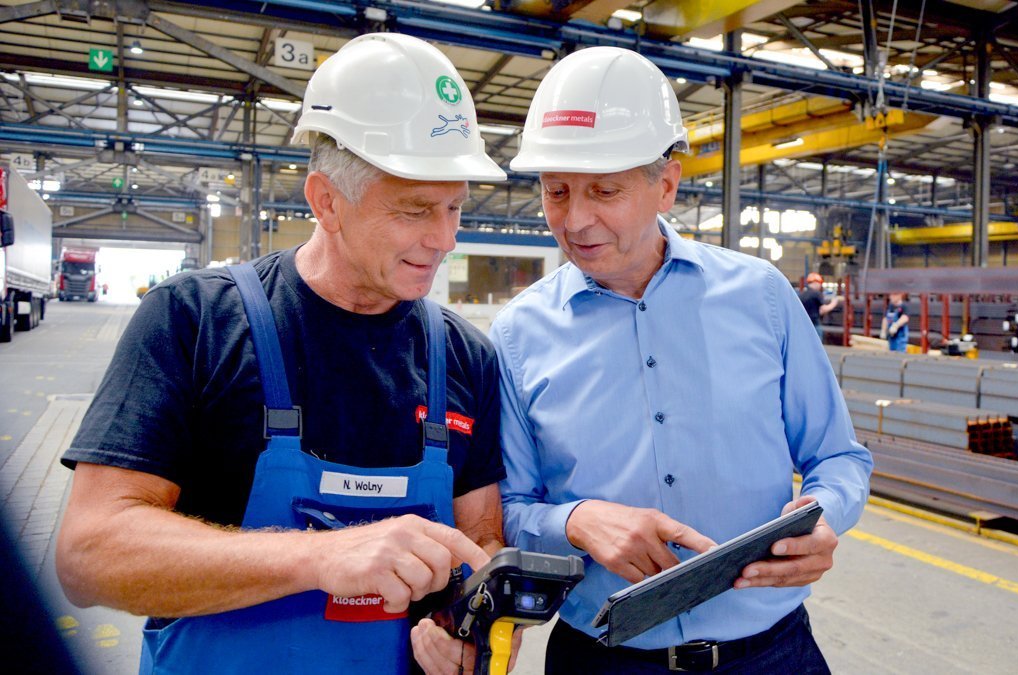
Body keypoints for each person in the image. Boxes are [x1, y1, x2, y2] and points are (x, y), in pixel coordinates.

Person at [55, 34, 510, 674]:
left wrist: (464, 618)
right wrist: (318, 557)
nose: (442, 238)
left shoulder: (464, 357)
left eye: (455, 207)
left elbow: (482, 538)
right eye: (413, 210)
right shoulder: (196, 322)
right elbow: (89, 555)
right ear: (325, 200)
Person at [491, 47, 873, 674]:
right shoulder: (516, 335)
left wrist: (823, 516)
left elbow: (838, 457)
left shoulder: (761, 297)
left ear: (665, 184)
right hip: (604, 658)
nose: (576, 220)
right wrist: (579, 521)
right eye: (556, 192)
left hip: (771, 653)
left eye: (605, 191)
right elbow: (506, 509)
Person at [797, 272, 840, 340]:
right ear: (816, 282)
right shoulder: (816, 293)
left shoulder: (802, 294)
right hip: (815, 324)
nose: (820, 286)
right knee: (817, 345)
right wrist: (833, 303)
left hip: (803, 325)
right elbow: (822, 310)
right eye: (820, 283)